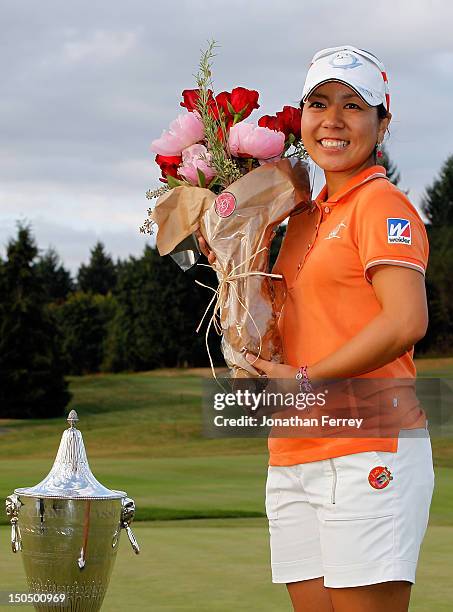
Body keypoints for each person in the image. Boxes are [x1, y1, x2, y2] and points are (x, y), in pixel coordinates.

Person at [197, 45, 434, 612]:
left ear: (383, 122)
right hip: (295, 449)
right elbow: (288, 320)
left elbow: (406, 320)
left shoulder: (382, 204)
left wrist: (305, 376)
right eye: (319, 103)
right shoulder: (300, 217)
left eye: (354, 106)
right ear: (301, 119)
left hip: (368, 447)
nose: (333, 120)